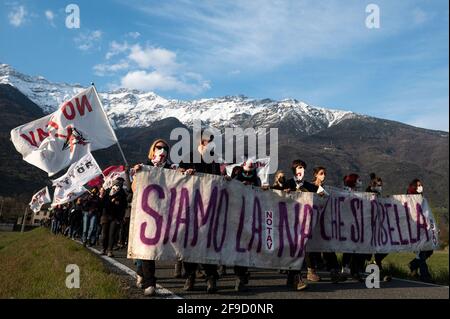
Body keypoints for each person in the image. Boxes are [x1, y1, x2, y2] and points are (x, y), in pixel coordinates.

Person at [178, 129, 222, 294]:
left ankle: (211, 277)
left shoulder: (213, 159)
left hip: (208, 206)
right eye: (205, 140)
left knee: (207, 242)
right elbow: (176, 176)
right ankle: (190, 276)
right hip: (189, 206)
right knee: (188, 242)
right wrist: (184, 173)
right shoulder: (188, 157)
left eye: (211, 140)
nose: (208, 143)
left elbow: (217, 179)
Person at [133, 139, 174, 296]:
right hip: (145, 213)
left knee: (154, 247)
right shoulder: (144, 166)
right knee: (148, 247)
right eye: (159, 147)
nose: (162, 150)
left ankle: (140, 270)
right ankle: (150, 283)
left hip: (163, 212)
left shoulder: (171, 168)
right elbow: (134, 189)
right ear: (153, 149)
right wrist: (137, 174)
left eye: (165, 148)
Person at [284, 159, 319, 291]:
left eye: (303, 168)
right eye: (299, 168)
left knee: (299, 249)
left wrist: (321, 193)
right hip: (288, 221)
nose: (301, 170)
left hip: (303, 222)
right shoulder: (288, 183)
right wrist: (283, 192)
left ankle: (295, 278)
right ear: (294, 170)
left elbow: (323, 193)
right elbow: (274, 194)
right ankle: (293, 277)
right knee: (292, 250)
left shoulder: (308, 185)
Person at [312, 166, 345, 283]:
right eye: (321, 173)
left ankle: (334, 271)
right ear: (315, 175)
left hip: (325, 224)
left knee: (328, 247)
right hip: (313, 223)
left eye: (325, 173)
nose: (324, 175)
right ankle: (311, 271)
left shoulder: (327, 189)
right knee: (312, 249)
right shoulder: (310, 187)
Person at [407, 179, 435, 283]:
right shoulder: (409, 199)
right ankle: (425, 276)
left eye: (421, 185)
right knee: (422, 254)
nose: (420, 187)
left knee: (429, 250)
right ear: (413, 187)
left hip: (424, 230)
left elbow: (427, 214)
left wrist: (433, 228)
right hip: (415, 230)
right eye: (418, 185)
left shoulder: (423, 199)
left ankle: (413, 264)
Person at [365, 173, 391, 282]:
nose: (380, 187)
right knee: (371, 251)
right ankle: (375, 272)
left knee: (383, 249)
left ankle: (375, 267)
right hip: (369, 227)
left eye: (381, 185)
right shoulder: (369, 194)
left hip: (379, 227)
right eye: (378, 185)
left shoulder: (379, 195)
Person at [341, 173, 365, 282]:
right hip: (347, 224)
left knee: (357, 249)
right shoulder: (345, 192)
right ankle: (346, 269)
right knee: (348, 248)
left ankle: (355, 271)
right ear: (353, 181)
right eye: (358, 180)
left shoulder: (359, 193)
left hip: (357, 224)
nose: (360, 182)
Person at [101, 178, 127, 257]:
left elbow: (124, 206)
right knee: (105, 234)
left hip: (116, 217)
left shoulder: (122, 193)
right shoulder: (108, 192)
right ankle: (103, 248)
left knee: (112, 234)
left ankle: (110, 250)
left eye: (120, 184)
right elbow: (103, 204)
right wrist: (110, 200)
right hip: (106, 215)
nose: (118, 186)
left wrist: (121, 217)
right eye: (117, 184)